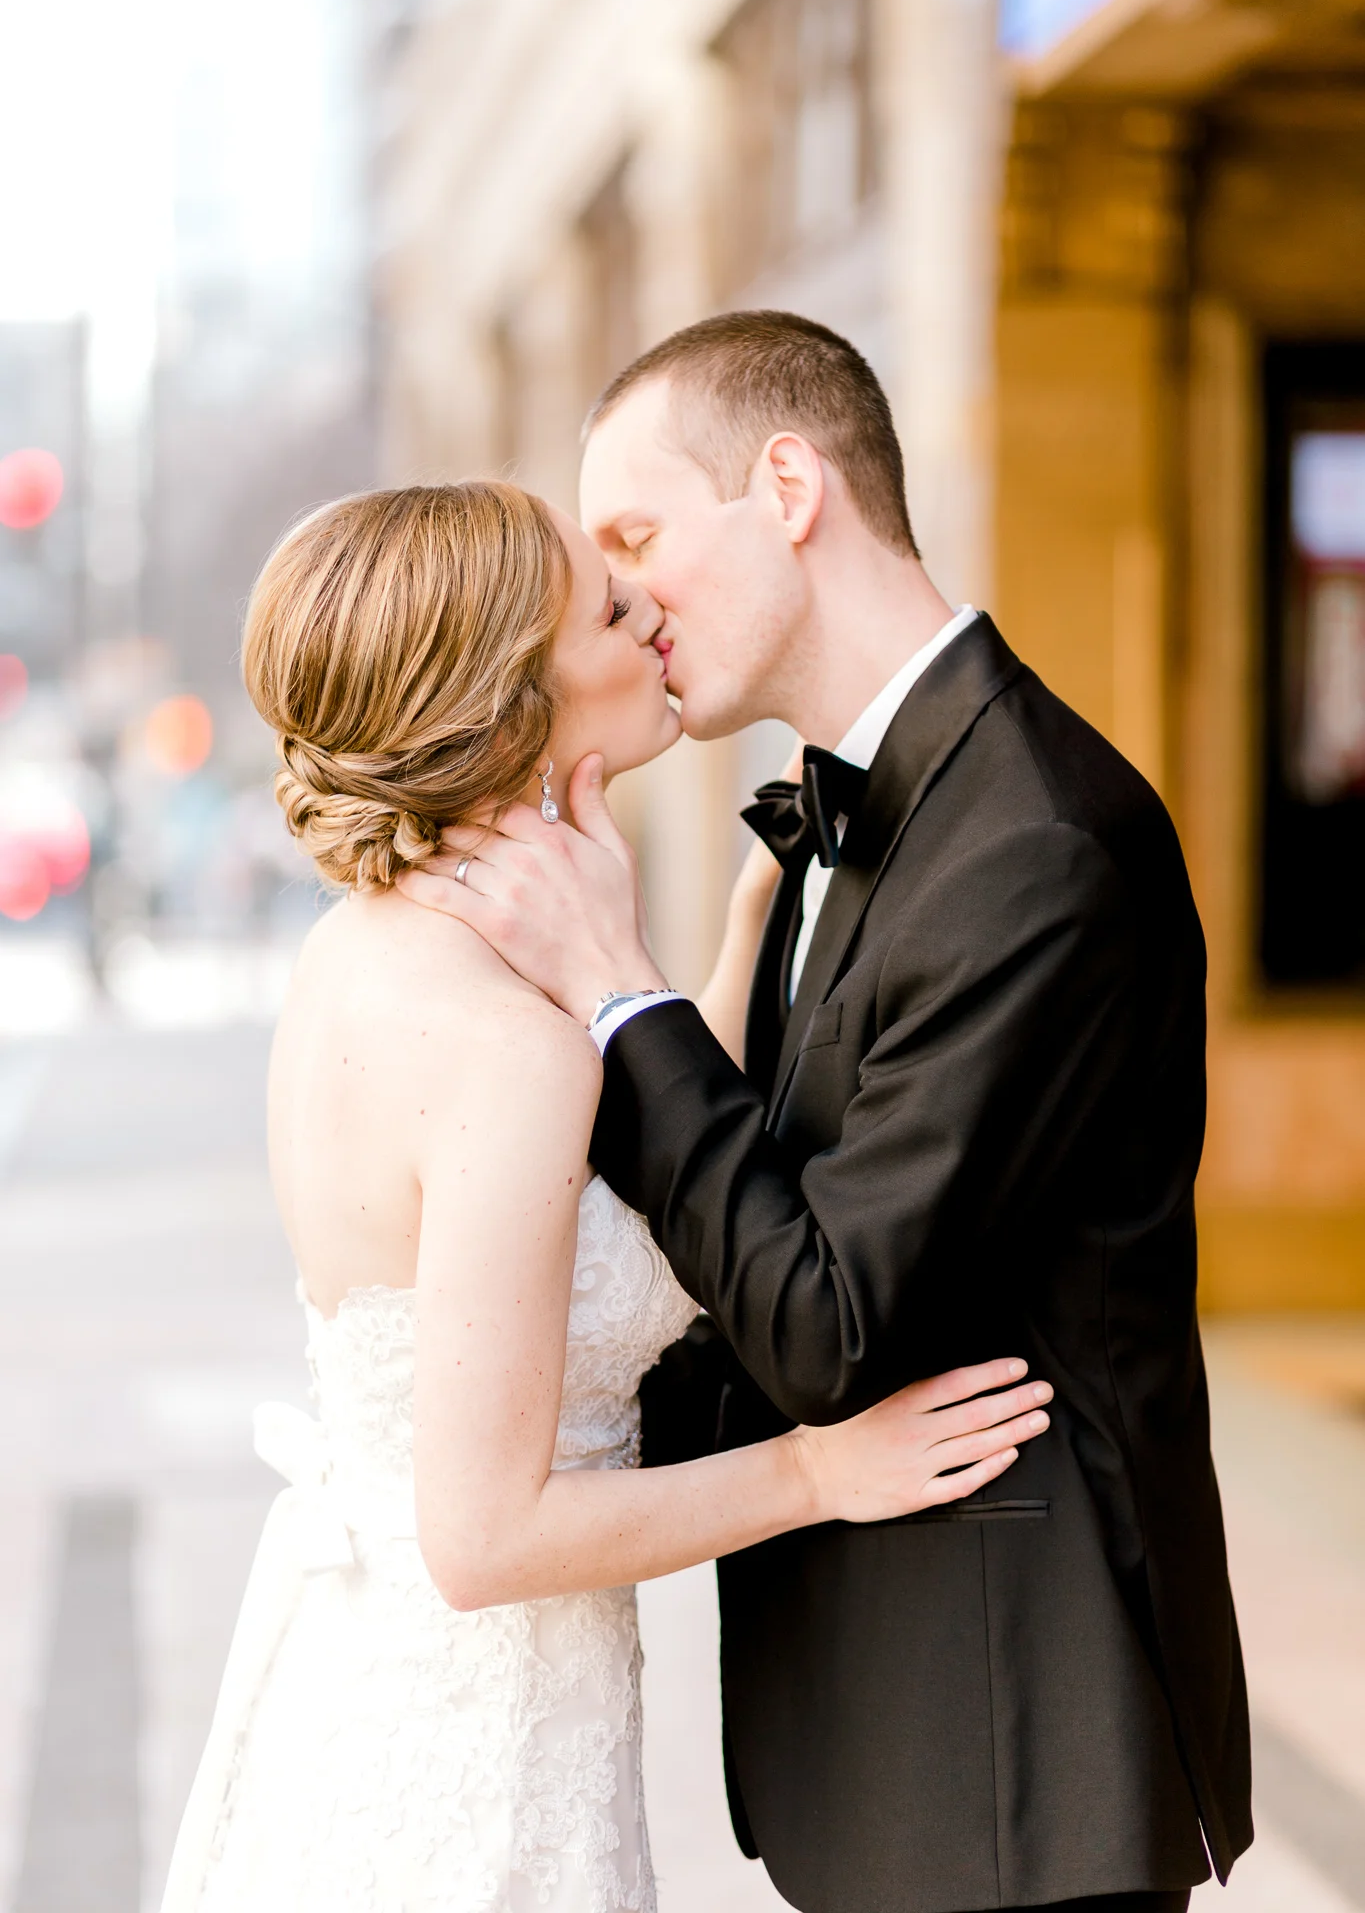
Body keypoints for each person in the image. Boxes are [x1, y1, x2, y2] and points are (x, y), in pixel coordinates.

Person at [401, 313, 1254, 1913]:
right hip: (890, 1747)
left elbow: (826, 1322)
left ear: (788, 485)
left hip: (1014, 1760)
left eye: (638, 538)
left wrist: (625, 997)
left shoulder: (1035, 843)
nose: (631, 601)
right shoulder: (835, 820)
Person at [159, 479, 1051, 1913]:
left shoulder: (366, 952)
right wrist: (819, 1473)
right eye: (606, 606)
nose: (648, 618)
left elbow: (600, 1211)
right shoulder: (505, 1049)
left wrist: (719, 941)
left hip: (371, 1684)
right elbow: (487, 1536)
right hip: (471, 1771)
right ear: (510, 700)